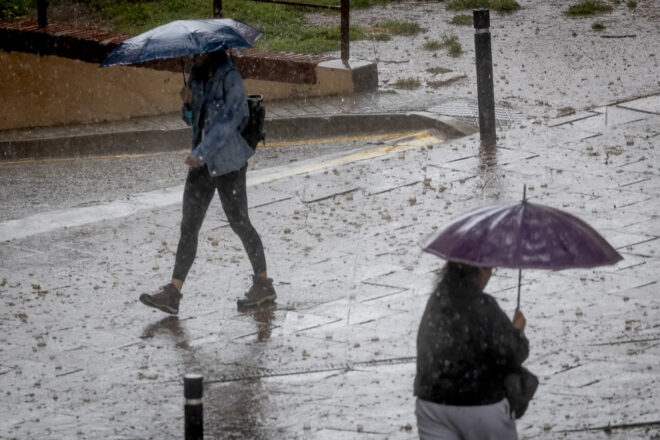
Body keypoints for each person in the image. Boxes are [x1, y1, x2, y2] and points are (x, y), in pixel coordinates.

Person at [139, 50, 276, 314]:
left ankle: (263, 284)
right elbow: (194, 121)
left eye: (199, 52)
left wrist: (201, 151)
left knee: (240, 223)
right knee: (188, 227)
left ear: (213, 50)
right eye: (191, 52)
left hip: (228, 163)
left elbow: (231, 120)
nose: (194, 56)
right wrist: (189, 105)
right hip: (201, 163)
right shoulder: (196, 77)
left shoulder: (230, 77)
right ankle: (173, 292)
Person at [414, 262, 528, 440]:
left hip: (432, 404)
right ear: (481, 268)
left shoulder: (436, 300)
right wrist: (517, 332)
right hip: (482, 405)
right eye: (491, 268)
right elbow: (512, 353)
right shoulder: (484, 305)